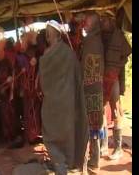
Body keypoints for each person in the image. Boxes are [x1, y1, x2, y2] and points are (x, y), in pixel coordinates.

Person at [39, 20, 88, 174]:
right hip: (66, 103)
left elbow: (43, 82)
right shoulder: (68, 53)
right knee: (67, 134)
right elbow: (77, 77)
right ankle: (66, 163)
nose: (48, 35)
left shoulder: (48, 55)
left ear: (50, 35)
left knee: (51, 135)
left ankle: (60, 163)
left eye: (48, 32)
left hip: (52, 105)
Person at [100, 12, 132, 160]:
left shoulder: (119, 35)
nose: (103, 22)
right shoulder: (98, 36)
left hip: (114, 78)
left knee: (116, 110)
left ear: (112, 20)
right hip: (100, 78)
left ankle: (118, 148)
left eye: (105, 20)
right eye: (102, 19)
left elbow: (127, 53)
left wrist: (117, 67)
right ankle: (104, 145)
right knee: (100, 111)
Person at [80, 12, 104, 174]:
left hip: (91, 91)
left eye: (87, 21)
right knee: (94, 126)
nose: (84, 23)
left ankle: (93, 161)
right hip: (94, 90)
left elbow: (90, 67)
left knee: (92, 127)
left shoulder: (92, 42)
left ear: (94, 24)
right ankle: (94, 159)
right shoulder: (92, 40)